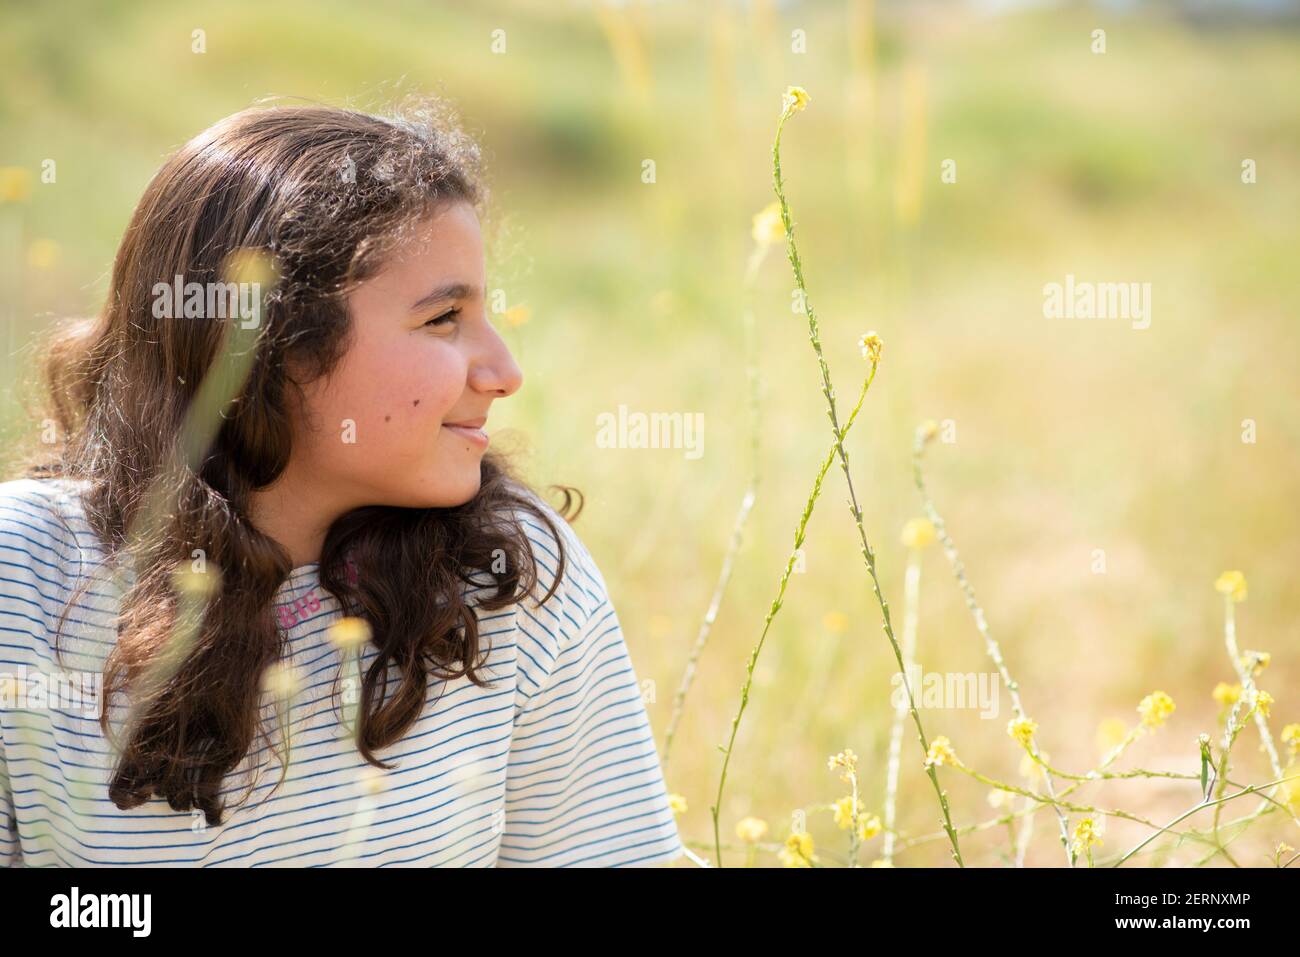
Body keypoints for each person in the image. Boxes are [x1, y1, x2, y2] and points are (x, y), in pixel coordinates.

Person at [0, 101, 683, 867]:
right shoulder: (23, 575)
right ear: (269, 348)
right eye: (443, 319)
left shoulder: (508, 573)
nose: (504, 372)